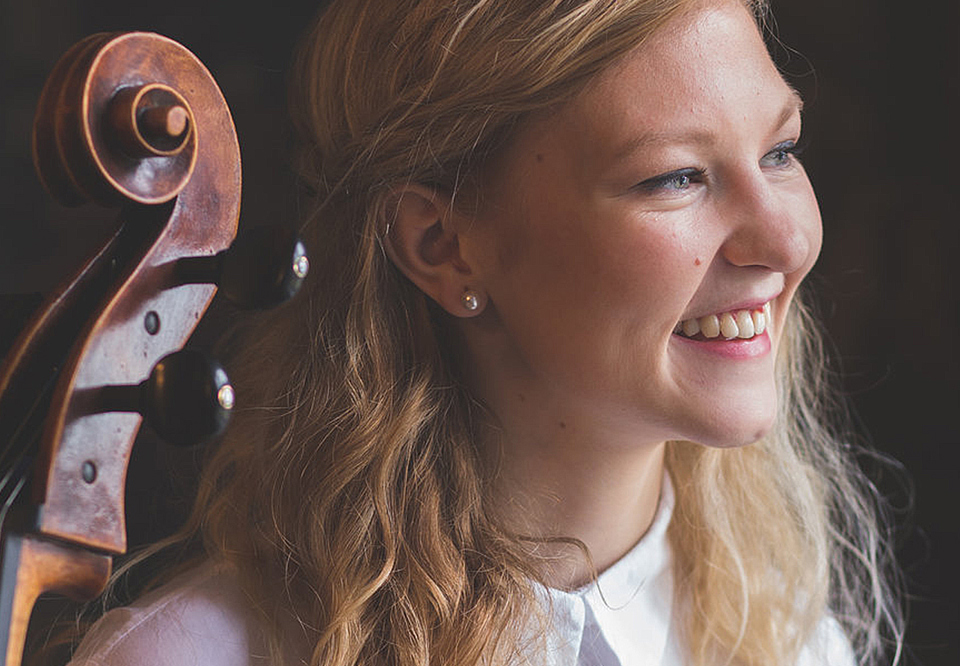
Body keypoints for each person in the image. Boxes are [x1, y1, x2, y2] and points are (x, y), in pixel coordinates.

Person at [65, 0, 903, 664]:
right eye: (675, 177)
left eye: (781, 151)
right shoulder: (192, 659)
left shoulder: (794, 644)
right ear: (443, 246)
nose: (787, 241)